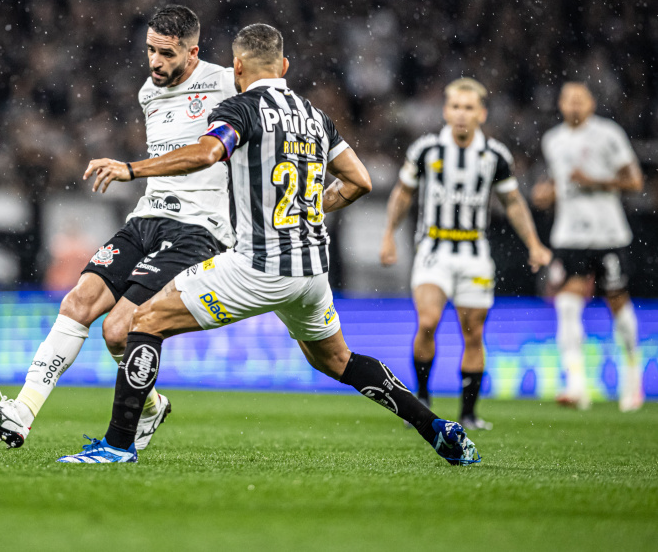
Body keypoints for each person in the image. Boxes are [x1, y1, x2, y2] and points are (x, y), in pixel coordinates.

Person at [58, 23, 481, 466]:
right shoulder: (315, 115)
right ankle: (435, 427)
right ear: (284, 66)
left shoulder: (240, 109)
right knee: (338, 359)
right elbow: (360, 181)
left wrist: (132, 169)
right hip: (312, 271)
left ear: (237, 66)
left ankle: (117, 446)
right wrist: (309, 207)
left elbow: (206, 153)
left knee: (142, 323)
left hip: (257, 265)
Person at [0, 5, 237, 448]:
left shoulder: (226, 82)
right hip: (147, 218)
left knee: (118, 330)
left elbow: (216, 145)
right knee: (79, 300)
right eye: (149, 50)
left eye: (166, 53)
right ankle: (21, 413)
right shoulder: (150, 91)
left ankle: (140, 416)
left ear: (192, 52)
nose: (155, 62)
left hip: (197, 228)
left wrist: (131, 169)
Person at [379, 78, 551, 430]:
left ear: (481, 113)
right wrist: (388, 236)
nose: (461, 114)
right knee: (427, 322)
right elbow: (403, 193)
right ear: (445, 111)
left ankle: (469, 414)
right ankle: (423, 400)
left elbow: (513, 203)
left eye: (469, 107)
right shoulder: (426, 149)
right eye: (455, 106)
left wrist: (534, 243)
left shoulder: (494, 155)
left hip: (474, 250)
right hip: (433, 248)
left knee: (473, 333)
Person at [531, 82, 645, 411]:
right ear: (561, 104)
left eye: (580, 100)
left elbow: (635, 181)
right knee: (567, 303)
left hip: (609, 234)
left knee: (617, 302)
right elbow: (559, 180)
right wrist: (547, 193)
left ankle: (632, 379)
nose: (574, 106)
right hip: (570, 236)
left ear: (591, 104)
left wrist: (595, 181)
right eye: (568, 100)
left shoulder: (608, 134)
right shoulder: (552, 139)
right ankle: (577, 385)